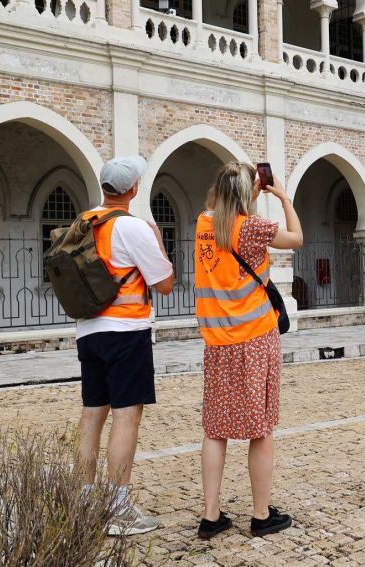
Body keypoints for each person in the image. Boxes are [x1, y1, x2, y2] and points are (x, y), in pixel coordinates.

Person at [194, 163, 303, 539]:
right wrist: (283, 197)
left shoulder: (203, 224)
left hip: (217, 344)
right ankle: (260, 515)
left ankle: (211, 516)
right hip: (255, 338)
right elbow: (297, 238)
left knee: (215, 429)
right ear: (247, 194)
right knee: (261, 428)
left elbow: (225, 210)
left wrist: (244, 193)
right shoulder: (252, 228)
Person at [74, 156, 175, 536]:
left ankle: (84, 501)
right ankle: (117, 509)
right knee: (126, 415)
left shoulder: (84, 222)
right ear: (132, 190)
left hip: (89, 330)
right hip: (126, 331)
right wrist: (159, 244)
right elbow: (164, 282)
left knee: (91, 416)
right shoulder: (132, 227)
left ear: (104, 187)